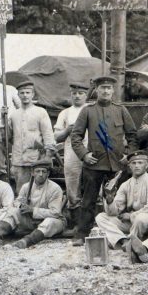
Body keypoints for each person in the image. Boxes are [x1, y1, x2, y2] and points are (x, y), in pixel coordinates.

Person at [70, 76, 138, 246]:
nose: (106, 91)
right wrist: (84, 155)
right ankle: (82, 233)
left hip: (117, 164)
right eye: (102, 88)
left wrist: (128, 154)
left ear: (113, 90)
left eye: (109, 88)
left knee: (116, 200)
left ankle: (118, 233)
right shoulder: (87, 111)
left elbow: (132, 135)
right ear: (96, 90)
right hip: (94, 163)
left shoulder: (121, 110)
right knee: (88, 200)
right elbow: (76, 136)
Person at [93, 151, 148, 260]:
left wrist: (130, 216)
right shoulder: (126, 184)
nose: (137, 166)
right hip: (131, 222)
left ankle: (133, 242)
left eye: (140, 163)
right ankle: (125, 242)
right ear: (129, 166)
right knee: (101, 217)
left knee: (141, 218)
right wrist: (110, 200)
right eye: (133, 163)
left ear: (146, 165)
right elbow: (114, 212)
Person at [0, 160, 66, 249]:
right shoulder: (26, 186)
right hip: (32, 221)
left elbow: (55, 213)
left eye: (43, 171)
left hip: (54, 221)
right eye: (37, 171)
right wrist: (21, 205)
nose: (40, 174)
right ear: (32, 173)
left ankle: (25, 242)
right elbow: (17, 202)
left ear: (48, 173)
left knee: (49, 222)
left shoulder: (55, 188)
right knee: (13, 211)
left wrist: (32, 210)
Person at [8, 81, 56, 193]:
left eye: (27, 92)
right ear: (18, 95)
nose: (25, 95)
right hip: (19, 161)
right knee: (21, 191)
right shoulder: (14, 115)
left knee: (39, 190)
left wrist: (48, 156)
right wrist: (3, 118)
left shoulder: (40, 112)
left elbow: (48, 135)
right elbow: (9, 137)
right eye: (22, 93)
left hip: (36, 159)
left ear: (32, 94)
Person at [54, 82, 89, 229]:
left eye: (80, 93)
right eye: (74, 93)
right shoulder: (65, 113)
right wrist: (67, 130)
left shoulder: (92, 110)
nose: (77, 96)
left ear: (86, 95)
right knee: (72, 187)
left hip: (91, 152)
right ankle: (76, 223)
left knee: (91, 185)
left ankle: (91, 221)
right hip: (72, 154)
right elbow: (56, 136)